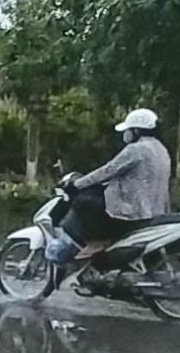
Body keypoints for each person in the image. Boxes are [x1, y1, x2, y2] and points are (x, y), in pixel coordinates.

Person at [51, 108, 172, 261]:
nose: (125, 134)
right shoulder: (161, 150)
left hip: (131, 214)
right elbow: (136, 176)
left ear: (136, 130)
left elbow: (108, 170)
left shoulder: (136, 149)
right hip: (155, 211)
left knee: (82, 203)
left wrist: (76, 185)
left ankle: (94, 242)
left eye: (128, 130)